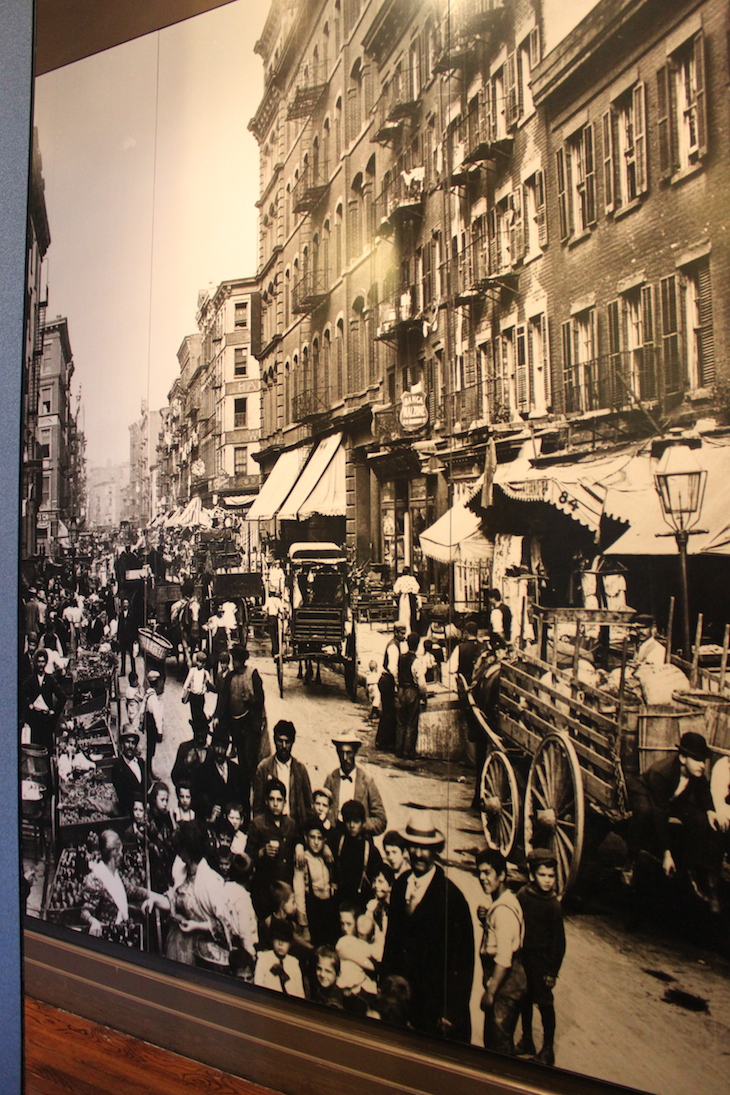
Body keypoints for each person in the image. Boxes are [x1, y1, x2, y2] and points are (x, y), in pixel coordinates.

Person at [381, 812, 474, 1042]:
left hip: (434, 1007)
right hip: (402, 1002)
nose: (419, 854)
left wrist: (450, 1011)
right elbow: (392, 941)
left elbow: (463, 961)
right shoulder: (401, 884)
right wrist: (385, 984)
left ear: (435, 851)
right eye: (413, 847)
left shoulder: (451, 898)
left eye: (425, 848)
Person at [626, 731, 723, 910]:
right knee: (645, 812)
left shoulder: (697, 773)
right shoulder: (661, 773)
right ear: (683, 758)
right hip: (647, 792)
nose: (702, 765)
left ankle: (692, 870)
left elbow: (703, 791)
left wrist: (710, 811)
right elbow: (660, 813)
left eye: (704, 761)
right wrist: (666, 853)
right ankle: (630, 860)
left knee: (701, 820)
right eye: (698, 760)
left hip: (673, 799)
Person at [516, 849, 565, 1065]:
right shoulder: (523, 896)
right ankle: (527, 1039)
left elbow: (559, 942)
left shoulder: (553, 905)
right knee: (524, 999)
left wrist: (552, 971)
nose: (547, 881)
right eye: (543, 875)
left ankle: (547, 1048)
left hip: (541, 962)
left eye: (551, 876)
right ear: (532, 875)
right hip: (523, 957)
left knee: (544, 1002)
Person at [476, 846, 526, 1056]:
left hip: (505, 984)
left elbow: (504, 958)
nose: (482, 878)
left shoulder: (503, 911)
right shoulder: (503, 902)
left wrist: (490, 992)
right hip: (506, 982)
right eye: (480, 872)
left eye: (487, 873)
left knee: (498, 1046)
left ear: (502, 875)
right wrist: (485, 920)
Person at [80, 829, 165, 944]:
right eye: (120, 851)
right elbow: (85, 911)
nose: (121, 854)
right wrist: (93, 922)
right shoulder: (95, 879)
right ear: (114, 852)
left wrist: (159, 897)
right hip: (108, 937)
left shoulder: (116, 874)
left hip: (122, 932)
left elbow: (133, 891)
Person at [245, 778, 300, 917]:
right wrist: (262, 852)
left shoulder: (290, 824)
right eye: (272, 799)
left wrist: (299, 845)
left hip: (285, 887)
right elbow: (247, 857)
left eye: (279, 800)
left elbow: (298, 838)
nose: (275, 804)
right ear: (266, 801)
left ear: (284, 802)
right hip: (265, 889)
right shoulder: (257, 824)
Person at [215, 644, 265, 783]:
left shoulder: (252, 674)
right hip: (235, 723)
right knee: (241, 755)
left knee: (251, 757)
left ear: (242, 660)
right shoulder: (230, 676)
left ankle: (252, 783)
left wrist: (251, 700)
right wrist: (218, 716)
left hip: (249, 722)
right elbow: (223, 698)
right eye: (233, 659)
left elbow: (261, 699)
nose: (233, 663)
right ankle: (244, 783)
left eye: (236, 660)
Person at [253, 719, 313, 829]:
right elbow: (257, 807)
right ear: (274, 740)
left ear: (293, 742)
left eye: (287, 742)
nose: (284, 746)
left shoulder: (300, 769)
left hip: (295, 828)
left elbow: (308, 805)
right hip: (270, 828)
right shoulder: (264, 768)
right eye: (280, 741)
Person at [324, 734, 387, 836]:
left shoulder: (367, 782)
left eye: (349, 753)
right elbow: (322, 809)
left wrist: (361, 825)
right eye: (341, 753)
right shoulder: (331, 779)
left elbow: (381, 820)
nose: (345, 758)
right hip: (335, 835)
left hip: (360, 839)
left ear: (355, 752)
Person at [293, 816, 338, 946]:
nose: (316, 842)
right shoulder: (303, 859)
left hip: (328, 910)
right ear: (306, 838)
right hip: (313, 912)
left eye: (319, 838)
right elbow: (299, 892)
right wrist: (304, 924)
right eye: (312, 837)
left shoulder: (326, 856)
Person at [193, 728, 249, 831]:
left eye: (223, 747)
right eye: (217, 746)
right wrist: (210, 808)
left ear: (227, 747)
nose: (219, 750)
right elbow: (196, 799)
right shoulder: (202, 771)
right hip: (212, 826)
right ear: (212, 746)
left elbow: (244, 800)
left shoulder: (236, 770)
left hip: (234, 826)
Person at [333, 799, 383, 908]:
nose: (352, 826)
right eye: (348, 821)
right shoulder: (339, 843)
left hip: (362, 901)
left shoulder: (370, 849)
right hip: (341, 899)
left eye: (356, 822)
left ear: (363, 823)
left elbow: (377, 875)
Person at [20, 649, 65, 753]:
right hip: (34, 718)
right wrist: (29, 704)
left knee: (47, 748)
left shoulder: (50, 679)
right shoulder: (31, 679)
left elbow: (62, 697)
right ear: (36, 663)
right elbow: (21, 692)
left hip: (46, 719)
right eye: (39, 662)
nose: (41, 664)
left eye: (43, 662)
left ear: (46, 663)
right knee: (35, 748)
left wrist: (54, 712)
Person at [254, 917, 306, 998]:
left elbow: (300, 992)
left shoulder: (293, 963)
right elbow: (258, 984)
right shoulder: (263, 958)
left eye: (285, 941)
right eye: (277, 939)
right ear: (272, 940)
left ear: (290, 944)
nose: (280, 944)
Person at [395, 632, 427, 761]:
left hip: (401, 690)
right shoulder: (416, 661)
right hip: (411, 692)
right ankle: (408, 752)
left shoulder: (401, 657)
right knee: (411, 723)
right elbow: (421, 683)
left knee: (401, 722)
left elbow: (397, 674)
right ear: (418, 645)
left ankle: (399, 750)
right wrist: (424, 696)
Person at [376, 623, 407, 752]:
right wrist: (397, 685)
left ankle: (383, 740)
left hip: (387, 680)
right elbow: (393, 668)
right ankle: (383, 741)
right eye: (401, 633)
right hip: (388, 680)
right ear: (396, 633)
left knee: (388, 711)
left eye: (404, 633)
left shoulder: (395, 644)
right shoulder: (393, 647)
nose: (403, 636)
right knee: (389, 712)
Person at [147, 780, 176, 893]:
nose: (165, 803)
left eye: (166, 800)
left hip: (167, 856)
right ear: (154, 799)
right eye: (162, 800)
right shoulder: (149, 817)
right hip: (155, 858)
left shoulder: (167, 816)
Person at [111, 730, 147, 820]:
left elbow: (147, 785)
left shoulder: (141, 762)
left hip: (144, 811)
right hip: (129, 814)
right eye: (127, 742)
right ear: (122, 744)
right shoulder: (118, 766)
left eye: (133, 743)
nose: (130, 746)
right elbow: (122, 795)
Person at [181, 650, 215, 735]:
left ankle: (203, 726)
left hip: (200, 696)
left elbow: (209, 684)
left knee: (199, 712)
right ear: (196, 661)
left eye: (203, 663)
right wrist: (183, 693)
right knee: (194, 712)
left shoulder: (205, 673)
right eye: (199, 662)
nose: (201, 664)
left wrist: (206, 687)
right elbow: (187, 682)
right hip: (193, 695)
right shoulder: (192, 671)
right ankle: (197, 727)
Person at [143, 669, 165, 776]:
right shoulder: (153, 697)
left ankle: (148, 769)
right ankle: (148, 770)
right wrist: (160, 731)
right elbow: (156, 715)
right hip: (152, 722)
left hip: (148, 720)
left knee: (150, 746)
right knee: (151, 747)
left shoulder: (148, 693)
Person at [393, 566, 420, 633]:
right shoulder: (412, 579)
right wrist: (412, 592)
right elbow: (417, 588)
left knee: (404, 612)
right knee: (411, 613)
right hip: (410, 597)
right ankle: (411, 629)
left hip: (403, 597)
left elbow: (395, 589)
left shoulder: (400, 579)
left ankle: (403, 629)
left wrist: (400, 591)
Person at [116, 597, 137, 678]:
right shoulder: (121, 614)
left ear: (128, 605)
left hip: (130, 637)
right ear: (122, 605)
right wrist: (118, 637)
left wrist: (135, 638)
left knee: (132, 655)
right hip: (123, 637)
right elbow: (119, 626)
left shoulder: (131, 614)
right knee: (123, 655)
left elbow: (134, 627)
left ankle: (134, 671)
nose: (125, 605)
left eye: (126, 603)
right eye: (124, 603)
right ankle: (123, 671)